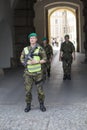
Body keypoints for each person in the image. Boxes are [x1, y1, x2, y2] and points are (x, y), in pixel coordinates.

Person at [20, 33, 47, 112]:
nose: (32, 39)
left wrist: (37, 61)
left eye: (33, 38)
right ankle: (28, 105)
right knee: (28, 91)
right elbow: (21, 59)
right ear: (29, 40)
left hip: (38, 73)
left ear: (36, 39)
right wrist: (28, 63)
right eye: (31, 38)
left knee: (40, 91)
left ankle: (41, 105)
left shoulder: (40, 48)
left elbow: (45, 59)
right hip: (28, 73)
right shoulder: (25, 49)